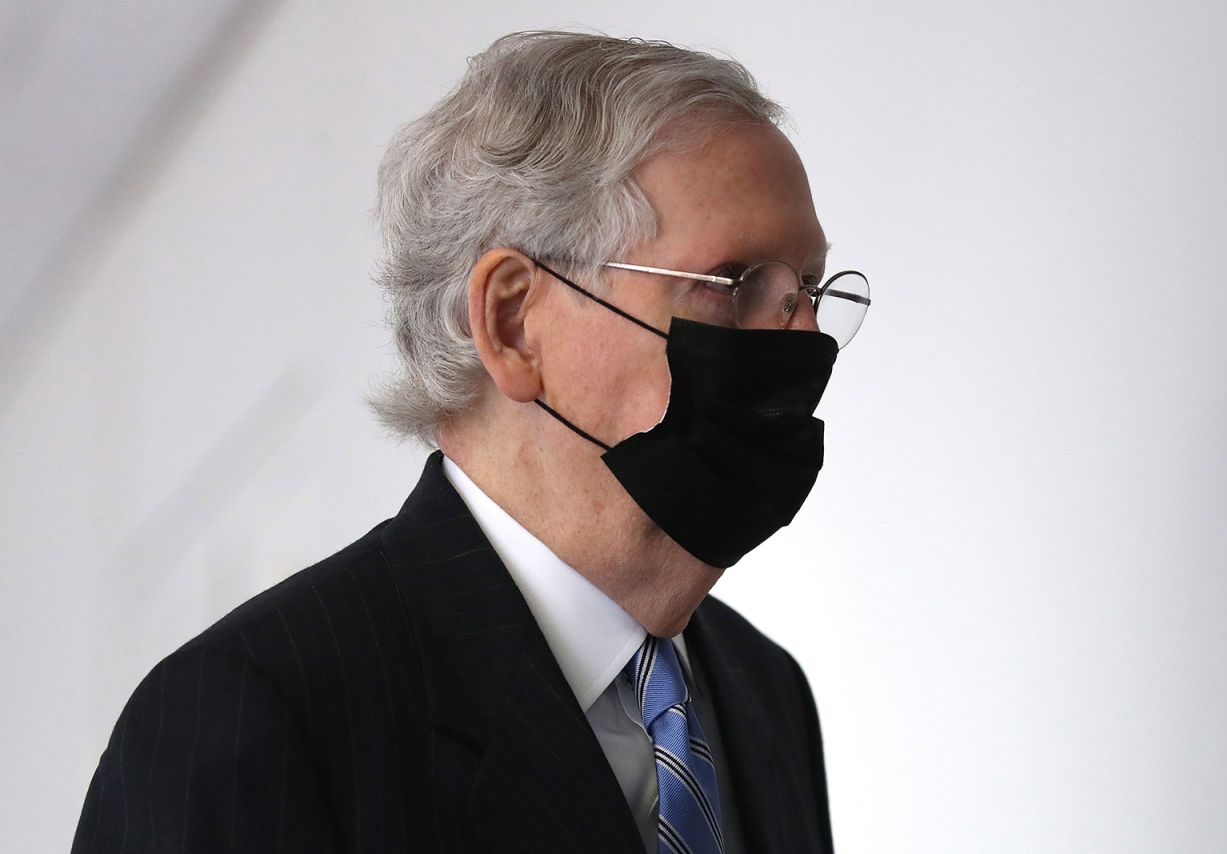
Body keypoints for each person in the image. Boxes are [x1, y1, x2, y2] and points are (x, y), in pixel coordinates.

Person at [72, 30, 870, 853]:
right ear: (515, 321)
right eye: (738, 285)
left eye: (807, 289)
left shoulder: (762, 694)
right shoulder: (252, 716)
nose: (803, 339)